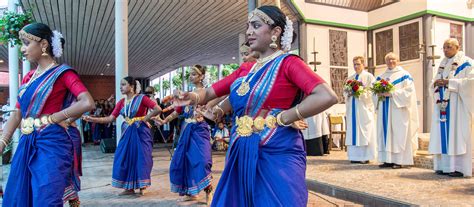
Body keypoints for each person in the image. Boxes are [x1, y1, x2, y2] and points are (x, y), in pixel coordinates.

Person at [173, 6, 337, 206]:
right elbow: (210, 93)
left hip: (276, 150)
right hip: (241, 148)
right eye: (248, 26)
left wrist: (284, 117)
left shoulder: (289, 63)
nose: (249, 32)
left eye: (256, 26)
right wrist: (191, 96)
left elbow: (326, 95)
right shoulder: (246, 70)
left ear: (276, 32)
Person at [0, 23, 95, 206]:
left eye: (27, 43)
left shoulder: (63, 73)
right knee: (19, 195)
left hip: (52, 143)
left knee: (45, 198)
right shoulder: (29, 77)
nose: (23, 48)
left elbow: (87, 102)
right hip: (26, 143)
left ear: (43, 44)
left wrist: (54, 117)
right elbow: (18, 112)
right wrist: (3, 142)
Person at [83, 76, 161, 196]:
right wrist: (92, 119)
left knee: (142, 158)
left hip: (141, 132)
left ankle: (142, 185)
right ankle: (128, 187)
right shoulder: (121, 103)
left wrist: (144, 119)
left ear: (132, 86)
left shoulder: (142, 98)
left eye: (123, 84)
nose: (121, 87)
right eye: (120, 85)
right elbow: (110, 118)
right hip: (127, 132)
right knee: (124, 157)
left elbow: (157, 109)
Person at [155, 65, 213, 204]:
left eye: (194, 74)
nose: (191, 76)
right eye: (190, 74)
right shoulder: (188, 94)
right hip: (186, 130)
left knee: (202, 161)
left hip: (200, 130)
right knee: (184, 161)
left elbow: (212, 110)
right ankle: (191, 192)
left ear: (201, 77)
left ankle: (208, 190)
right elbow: (178, 111)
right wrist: (164, 121)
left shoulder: (207, 93)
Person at [429, 38, 474, 177]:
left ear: (457, 47)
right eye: (444, 47)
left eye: (449, 47)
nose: (445, 49)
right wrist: (435, 84)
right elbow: (435, 82)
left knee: (457, 134)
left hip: (457, 106)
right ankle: (444, 166)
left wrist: (450, 83)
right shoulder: (443, 64)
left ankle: (458, 168)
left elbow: (471, 82)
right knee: (442, 136)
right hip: (442, 105)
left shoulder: (467, 62)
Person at [375, 52, 419, 169]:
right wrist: (378, 94)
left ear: (397, 60)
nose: (391, 61)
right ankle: (387, 160)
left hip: (398, 111)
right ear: (385, 62)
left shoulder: (404, 75)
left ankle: (399, 160)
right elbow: (374, 94)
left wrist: (392, 93)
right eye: (388, 60)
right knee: (385, 134)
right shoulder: (381, 76)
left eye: (393, 59)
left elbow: (409, 92)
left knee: (398, 134)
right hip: (384, 110)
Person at [345, 56, 377, 164]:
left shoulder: (369, 77)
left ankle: (364, 156)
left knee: (364, 131)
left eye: (358, 64)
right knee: (353, 131)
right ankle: (354, 156)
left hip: (363, 109)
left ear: (363, 64)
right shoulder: (351, 78)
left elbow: (372, 92)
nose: (356, 66)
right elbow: (345, 92)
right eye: (354, 64)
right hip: (353, 109)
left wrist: (360, 92)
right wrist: (348, 92)